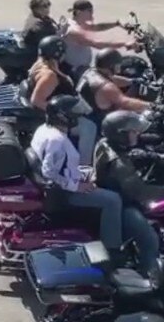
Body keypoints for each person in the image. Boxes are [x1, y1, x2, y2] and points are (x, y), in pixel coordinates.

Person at [30, 94, 129, 261]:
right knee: (113, 199)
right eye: (74, 113)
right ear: (64, 117)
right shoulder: (57, 140)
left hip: (68, 181)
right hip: (66, 192)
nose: (78, 117)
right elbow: (49, 172)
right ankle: (113, 249)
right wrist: (78, 186)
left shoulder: (44, 129)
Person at [93, 111, 164, 277]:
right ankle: (151, 278)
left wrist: (150, 156)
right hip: (124, 205)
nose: (137, 133)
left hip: (115, 194)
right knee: (150, 240)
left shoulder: (105, 143)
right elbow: (141, 192)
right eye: (133, 131)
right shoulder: (118, 164)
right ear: (121, 135)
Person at [28, 35, 97, 164]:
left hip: (65, 105)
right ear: (58, 54)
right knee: (89, 127)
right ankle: (84, 166)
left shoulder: (41, 64)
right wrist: (61, 114)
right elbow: (36, 100)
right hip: (58, 116)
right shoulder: (49, 75)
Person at [78, 49, 151, 130]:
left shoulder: (91, 72)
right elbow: (125, 102)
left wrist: (132, 81)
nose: (119, 67)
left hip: (86, 113)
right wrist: (151, 106)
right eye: (117, 65)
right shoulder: (106, 88)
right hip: (98, 124)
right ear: (111, 66)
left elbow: (112, 79)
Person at [64, 0, 133, 79]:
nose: (92, 14)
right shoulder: (74, 30)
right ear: (79, 12)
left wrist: (116, 24)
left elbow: (97, 27)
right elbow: (97, 44)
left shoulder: (77, 23)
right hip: (76, 71)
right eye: (89, 11)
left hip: (81, 68)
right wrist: (124, 44)